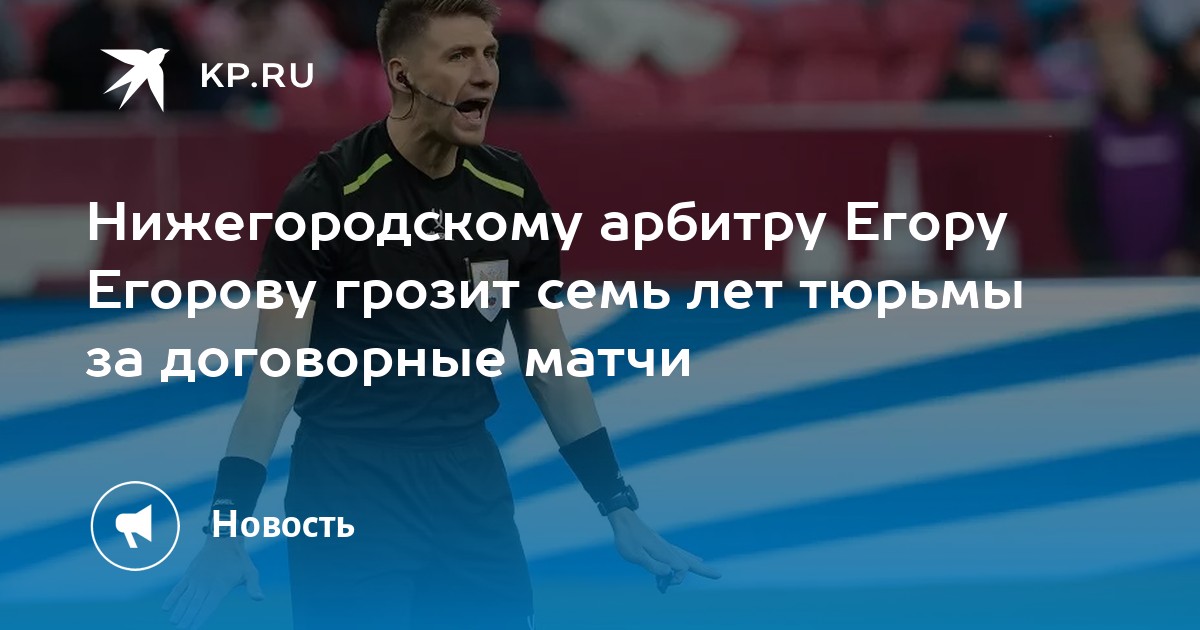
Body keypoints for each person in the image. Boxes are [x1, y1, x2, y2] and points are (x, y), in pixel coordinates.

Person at [162, 1, 719, 628]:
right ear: (401, 75)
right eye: (458, 56)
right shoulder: (329, 192)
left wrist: (617, 505)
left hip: (470, 486)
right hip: (349, 487)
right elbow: (273, 381)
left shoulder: (511, 189)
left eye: (490, 54)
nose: (484, 74)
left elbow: (550, 366)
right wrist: (225, 529)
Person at [1064, 26, 1200, 276]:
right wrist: (1101, 265)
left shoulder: (1179, 127)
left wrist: (1189, 248)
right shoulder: (1090, 135)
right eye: (1113, 63)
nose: (1123, 70)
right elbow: (1079, 212)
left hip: (1177, 276)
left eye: (1129, 59)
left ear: (1149, 63)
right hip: (1114, 278)